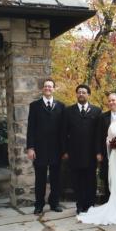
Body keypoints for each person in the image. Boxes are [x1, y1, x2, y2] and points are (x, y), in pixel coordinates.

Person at [26, 78, 65, 215]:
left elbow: (63, 130)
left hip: (56, 149)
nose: (48, 88)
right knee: (40, 178)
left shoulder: (61, 106)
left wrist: (64, 149)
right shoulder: (34, 106)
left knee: (56, 178)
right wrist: (30, 147)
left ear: (54, 89)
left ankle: (54, 203)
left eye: (50, 86)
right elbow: (30, 128)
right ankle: (39, 204)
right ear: (42, 89)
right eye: (46, 86)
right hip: (40, 149)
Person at [62, 84, 102, 214]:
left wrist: (98, 152)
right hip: (75, 153)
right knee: (77, 181)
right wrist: (65, 151)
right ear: (76, 94)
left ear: (88, 95)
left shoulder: (96, 111)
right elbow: (63, 133)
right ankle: (79, 205)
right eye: (79, 92)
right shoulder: (68, 111)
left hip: (91, 153)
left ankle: (90, 205)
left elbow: (98, 134)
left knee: (91, 180)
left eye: (84, 92)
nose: (81, 94)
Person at [96, 93, 116, 203]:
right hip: (106, 153)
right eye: (109, 101)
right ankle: (108, 200)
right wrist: (99, 153)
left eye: (113, 100)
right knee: (106, 175)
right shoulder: (103, 116)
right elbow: (99, 136)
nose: (111, 103)